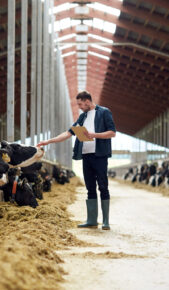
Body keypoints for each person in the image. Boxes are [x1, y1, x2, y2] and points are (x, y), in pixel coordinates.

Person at [37, 91, 116, 230]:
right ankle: (91, 220)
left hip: (100, 155)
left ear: (87, 101)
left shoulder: (104, 112)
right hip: (86, 155)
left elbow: (112, 132)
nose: (79, 107)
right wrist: (48, 141)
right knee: (90, 187)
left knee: (103, 186)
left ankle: (105, 221)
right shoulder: (82, 117)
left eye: (80, 104)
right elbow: (68, 133)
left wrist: (94, 135)